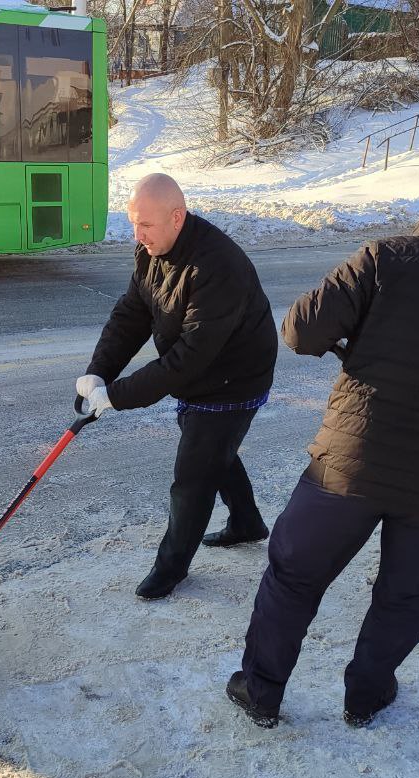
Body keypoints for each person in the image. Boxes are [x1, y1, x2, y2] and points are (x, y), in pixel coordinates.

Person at [226, 174, 419, 728]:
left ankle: (261, 691)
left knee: (294, 575)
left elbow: (301, 332)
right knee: (404, 594)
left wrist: (350, 341)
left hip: (350, 463)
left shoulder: (386, 258)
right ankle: (366, 698)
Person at [77, 173, 278, 601]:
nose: (137, 235)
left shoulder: (217, 265)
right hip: (201, 376)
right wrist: (99, 372)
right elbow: (131, 314)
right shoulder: (151, 250)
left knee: (192, 476)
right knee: (212, 452)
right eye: (133, 224)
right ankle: (247, 524)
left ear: (177, 216)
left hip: (233, 380)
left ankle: (169, 570)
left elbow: (189, 357)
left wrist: (118, 396)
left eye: (145, 225)